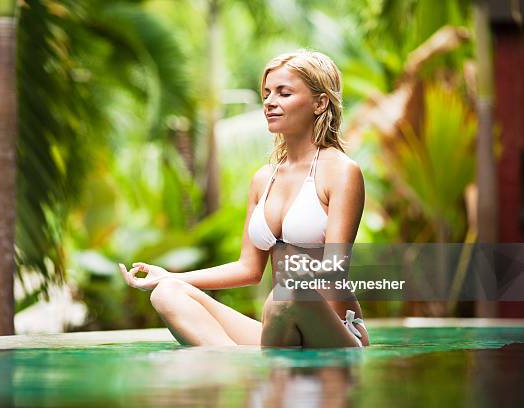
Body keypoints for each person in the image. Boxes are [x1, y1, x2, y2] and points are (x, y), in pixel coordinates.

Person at [119, 50, 369, 348]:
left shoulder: (341, 171)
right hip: (279, 324)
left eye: (283, 93)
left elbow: (334, 271)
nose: (270, 102)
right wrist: (171, 275)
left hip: (332, 329)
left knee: (287, 295)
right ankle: (236, 365)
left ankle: (262, 354)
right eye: (266, 93)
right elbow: (249, 269)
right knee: (167, 292)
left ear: (320, 103)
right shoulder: (263, 179)